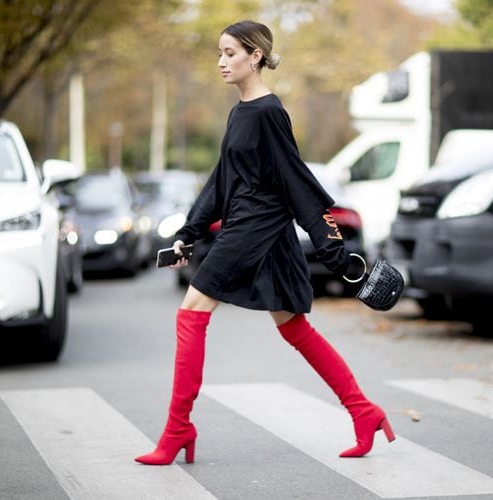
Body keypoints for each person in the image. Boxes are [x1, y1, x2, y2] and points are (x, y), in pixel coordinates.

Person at [135, 20, 395, 466]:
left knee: (191, 311)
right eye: (219, 53)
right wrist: (188, 232)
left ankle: (178, 430)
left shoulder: (270, 113)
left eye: (230, 53)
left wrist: (334, 252)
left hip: (253, 227)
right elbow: (221, 181)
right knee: (292, 325)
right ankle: (364, 411)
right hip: (259, 229)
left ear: (255, 56)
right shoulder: (240, 112)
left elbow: (297, 181)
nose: (221, 61)